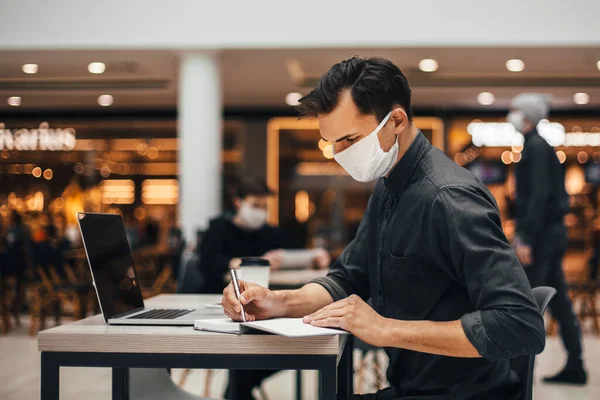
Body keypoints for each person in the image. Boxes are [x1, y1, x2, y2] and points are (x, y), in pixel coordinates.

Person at [222, 57, 546, 400]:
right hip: (412, 387)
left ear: (396, 121)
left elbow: (519, 326)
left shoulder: (448, 198)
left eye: (349, 139)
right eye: (333, 142)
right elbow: (349, 277)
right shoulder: (389, 186)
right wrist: (280, 301)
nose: (338, 154)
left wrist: (386, 329)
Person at [197, 176, 329, 399]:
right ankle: (239, 390)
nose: (260, 212)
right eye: (255, 206)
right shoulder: (218, 229)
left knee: (281, 348)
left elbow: (291, 254)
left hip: (261, 311)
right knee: (247, 361)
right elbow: (207, 264)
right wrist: (252, 260)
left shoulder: (270, 233)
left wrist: (312, 258)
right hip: (219, 307)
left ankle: (238, 390)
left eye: (264, 207)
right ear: (238, 202)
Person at [508, 93, 587, 385]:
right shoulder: (536, 146)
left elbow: (537, 197)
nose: (511, 114)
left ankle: (517, 374)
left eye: (515, 110)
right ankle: (575, 365)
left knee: (527, 303)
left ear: (526, 115)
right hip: (549, 234)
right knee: (559, 303)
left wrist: (525, 237)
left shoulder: (537, 147)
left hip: (542, 237)